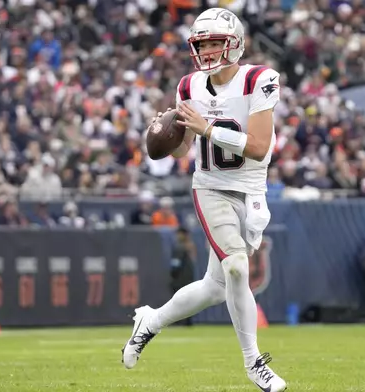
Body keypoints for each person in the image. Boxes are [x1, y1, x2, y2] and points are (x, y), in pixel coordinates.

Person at [121, 8, 287, 391]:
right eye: (202, 44)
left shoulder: (259, 80)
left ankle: (150, 321)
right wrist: (164, 134)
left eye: (216, 43)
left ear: (235, 44)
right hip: (211, 186)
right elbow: (182, 153)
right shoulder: (189, 86)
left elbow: (260, 149)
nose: (209, 52)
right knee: (237, 269)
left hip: (251, 187)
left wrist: (207, 128)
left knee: (215, 286)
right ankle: (254, 364)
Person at [170, 227, 196, 326]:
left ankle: (179, 321)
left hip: (180, 279)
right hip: (189, 278)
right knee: (188, 300)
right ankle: (187, 321)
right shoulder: (190, 246)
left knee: (178, 300)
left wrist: (172, 275)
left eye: (179, 234)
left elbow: (175, 264)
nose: (177, 236)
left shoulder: (180, 247)